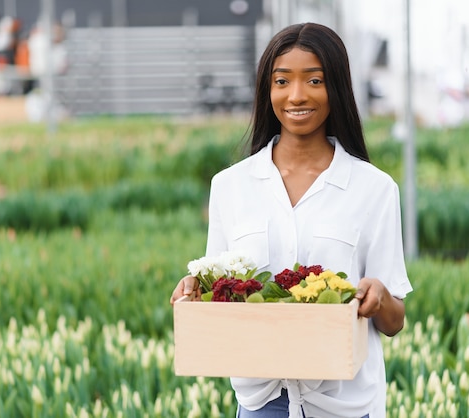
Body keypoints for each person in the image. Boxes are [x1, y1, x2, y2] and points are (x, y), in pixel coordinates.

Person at [170, 22, 413, 418]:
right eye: (282, 81)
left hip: (344, 405)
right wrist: (197, 291)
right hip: (260, 402)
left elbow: (394, 321)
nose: (296, 95)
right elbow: (220, 294)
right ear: (267, 90)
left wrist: (379, 297)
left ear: (336, 88)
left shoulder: (374, 189)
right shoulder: (231, 186)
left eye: (314, 80)